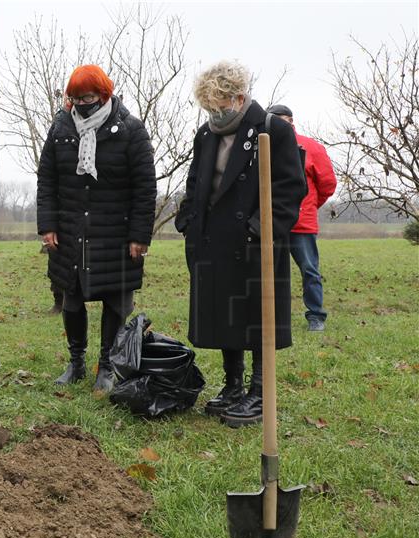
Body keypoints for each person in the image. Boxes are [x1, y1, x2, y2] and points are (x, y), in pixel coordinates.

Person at [175, 62, 306, 427]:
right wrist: (187, 218)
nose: (216, 113)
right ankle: (233, 386)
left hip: (255, 242)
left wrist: (258, 229)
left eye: (221, 104)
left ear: (238, 96)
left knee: (257, 317)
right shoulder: (206, 134)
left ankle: (260, 393)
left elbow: (291, 188)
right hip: (212, 240)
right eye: (209, 107)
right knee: (224, 313)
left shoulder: (272, 130)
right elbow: (195, 181)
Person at [37, 64, 157, 393]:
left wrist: (139, 236)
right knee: (71, 300)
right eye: (75, 98)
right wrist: (47, 224)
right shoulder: (60, 127)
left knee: (116, 303)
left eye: (87, 97)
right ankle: (76, 362)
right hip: (71, 231)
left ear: (103, 95)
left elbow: (145, 187)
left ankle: (106, 365)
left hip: (116, 233)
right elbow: (47, 179)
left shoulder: (131, 129)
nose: (81, 103)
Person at [268, 104, 337, 332]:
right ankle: (272, 317)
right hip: (271, 223)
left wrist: (308, 206)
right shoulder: (262, 148)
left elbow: (327, 184)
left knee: (309, 270)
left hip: (302, 223)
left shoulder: (311, 147)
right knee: (269, 273)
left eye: (282, 121)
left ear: (292, 122)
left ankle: (316, 316)